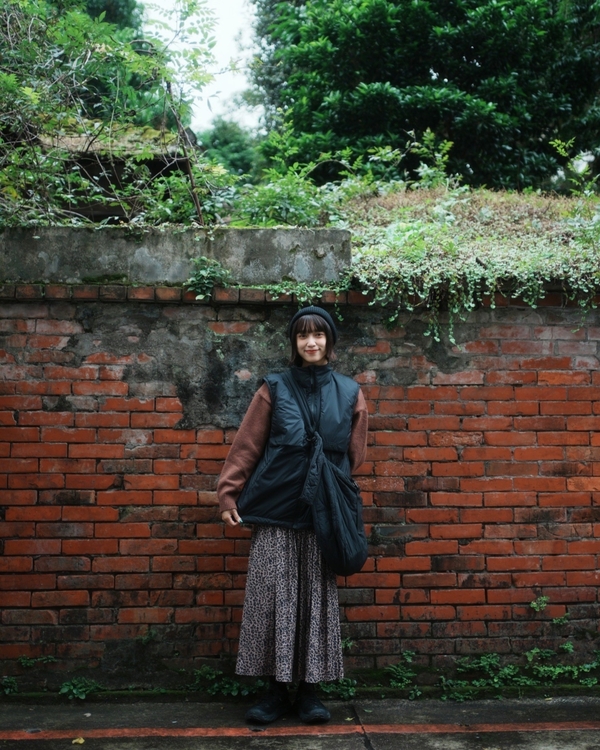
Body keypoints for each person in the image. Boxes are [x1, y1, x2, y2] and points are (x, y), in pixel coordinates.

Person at [217, 306, 368, 725]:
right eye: (303, 335)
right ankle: (273, 692)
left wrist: (329, 488)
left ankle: (309, 693)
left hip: (323, 515)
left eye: (318, 335)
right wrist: (228, 496)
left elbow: (354, 456)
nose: (311, 342)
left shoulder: (350, 392)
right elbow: (246, 447)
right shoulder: (274, 388)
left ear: (329, 340)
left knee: (314, 602)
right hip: (275, 510)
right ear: (294, 342)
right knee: (272, 602)